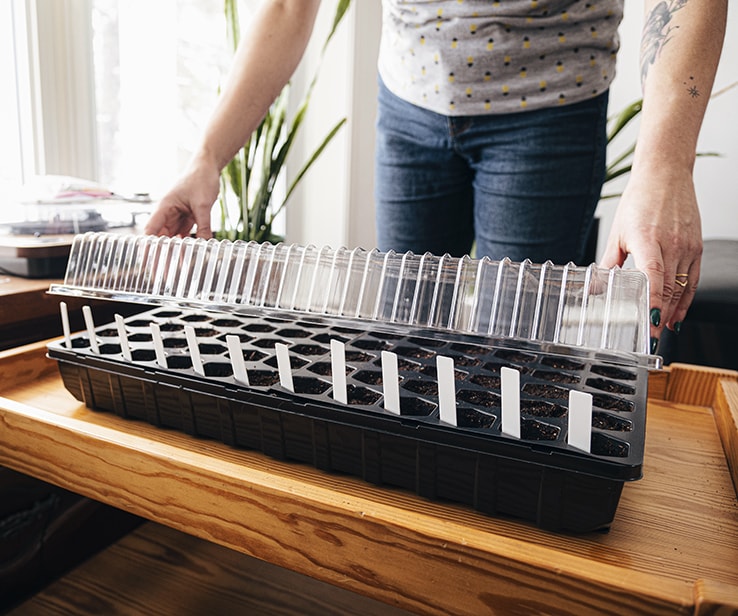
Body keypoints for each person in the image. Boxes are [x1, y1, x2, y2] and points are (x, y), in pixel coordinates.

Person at [145, 0, 727, 354]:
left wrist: (665, 163)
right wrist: (206, 156)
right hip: (409, 100)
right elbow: (290, 9)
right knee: (402, 342)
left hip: (549, 109)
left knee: (514, 358)